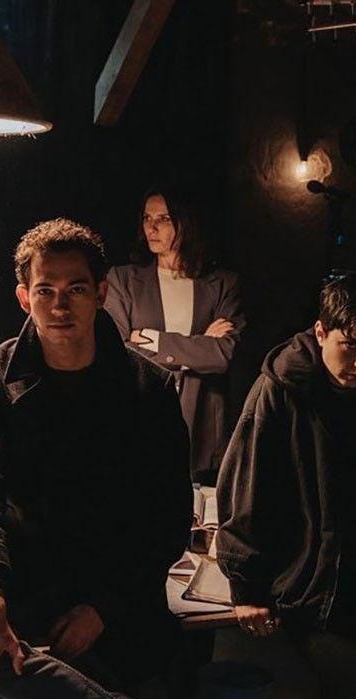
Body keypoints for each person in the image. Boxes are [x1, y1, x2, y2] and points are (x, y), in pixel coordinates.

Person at [0, 218, 193, 699]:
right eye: (45, 290)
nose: (60, 306)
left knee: (130, 659)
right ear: (24, 298)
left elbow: (166, 516)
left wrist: (102, 608)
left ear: (100, 293)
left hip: (110, 570)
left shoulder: (149, 388)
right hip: (18, 567)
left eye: (75, 289)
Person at [216, 273, 356, 699]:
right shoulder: (282, 389)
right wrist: (246, 585)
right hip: (313, 592)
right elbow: (246, 489)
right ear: (320, 332)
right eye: (349, 346)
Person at [105, 187, 243, 486]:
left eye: (163, 219)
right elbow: (116, 352)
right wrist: (198, 346)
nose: (151, 227)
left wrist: (154, 340)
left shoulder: (222, 284)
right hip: (141, 422)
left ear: (186, 223)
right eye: (147, 218)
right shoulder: (123, 280)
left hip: (201, 433)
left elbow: (223, 354)